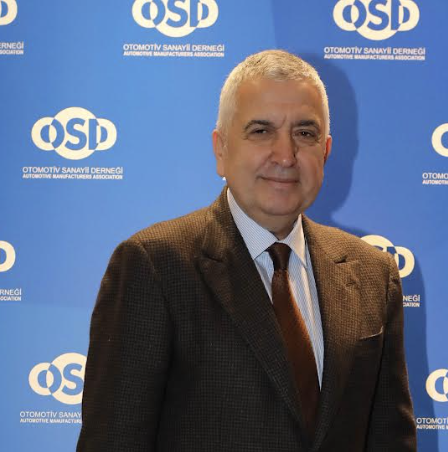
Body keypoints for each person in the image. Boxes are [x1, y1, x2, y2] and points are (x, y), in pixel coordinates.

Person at [77, 50, 416, 452]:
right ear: (220, 149)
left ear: (325, 151)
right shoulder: (154, 267)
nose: (286, 155)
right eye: (261, 130)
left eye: (304, 133)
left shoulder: (374, 274)